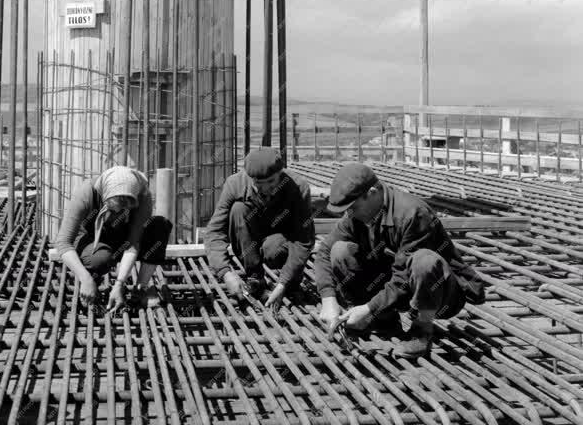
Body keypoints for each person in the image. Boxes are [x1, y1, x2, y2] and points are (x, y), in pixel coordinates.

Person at [315, 163, 485, 358]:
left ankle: (422, 332)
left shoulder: (413, 213)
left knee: (424, 261)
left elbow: (403, 276)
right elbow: (325, 251)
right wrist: (328, 298)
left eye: (354, 207)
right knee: (340, 250)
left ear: (372, 192)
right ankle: (382, 320)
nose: (350, 213)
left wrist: (369, 308)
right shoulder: (357, 214)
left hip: (440, 290)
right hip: (397, 284)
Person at [205, 147, 315, 309]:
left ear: (281, 173)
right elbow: (214, 232)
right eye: (258, 183)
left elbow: (304, 240)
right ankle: (256, 281)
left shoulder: (298, 187)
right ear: (249, 178)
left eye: (271, 181)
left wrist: (284, 282)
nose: (265, 188)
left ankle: (291, 284)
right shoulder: (235, 184)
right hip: (250, 241)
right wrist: (225, 272)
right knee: (238, 209)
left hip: (279, 243)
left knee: (276, 252)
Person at [54, 165, 172, 313]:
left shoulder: (142, 195)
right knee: (99, 260)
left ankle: (141, 288)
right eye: (112, 209)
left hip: (123, 237)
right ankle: (91, 283)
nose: (117, 213)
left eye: (123, 210)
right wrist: (85, 278)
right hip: (93, 239)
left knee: (160, 225)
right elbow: (63, 242)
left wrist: (119, 284)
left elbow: (132, 243)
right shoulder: (86, 193)